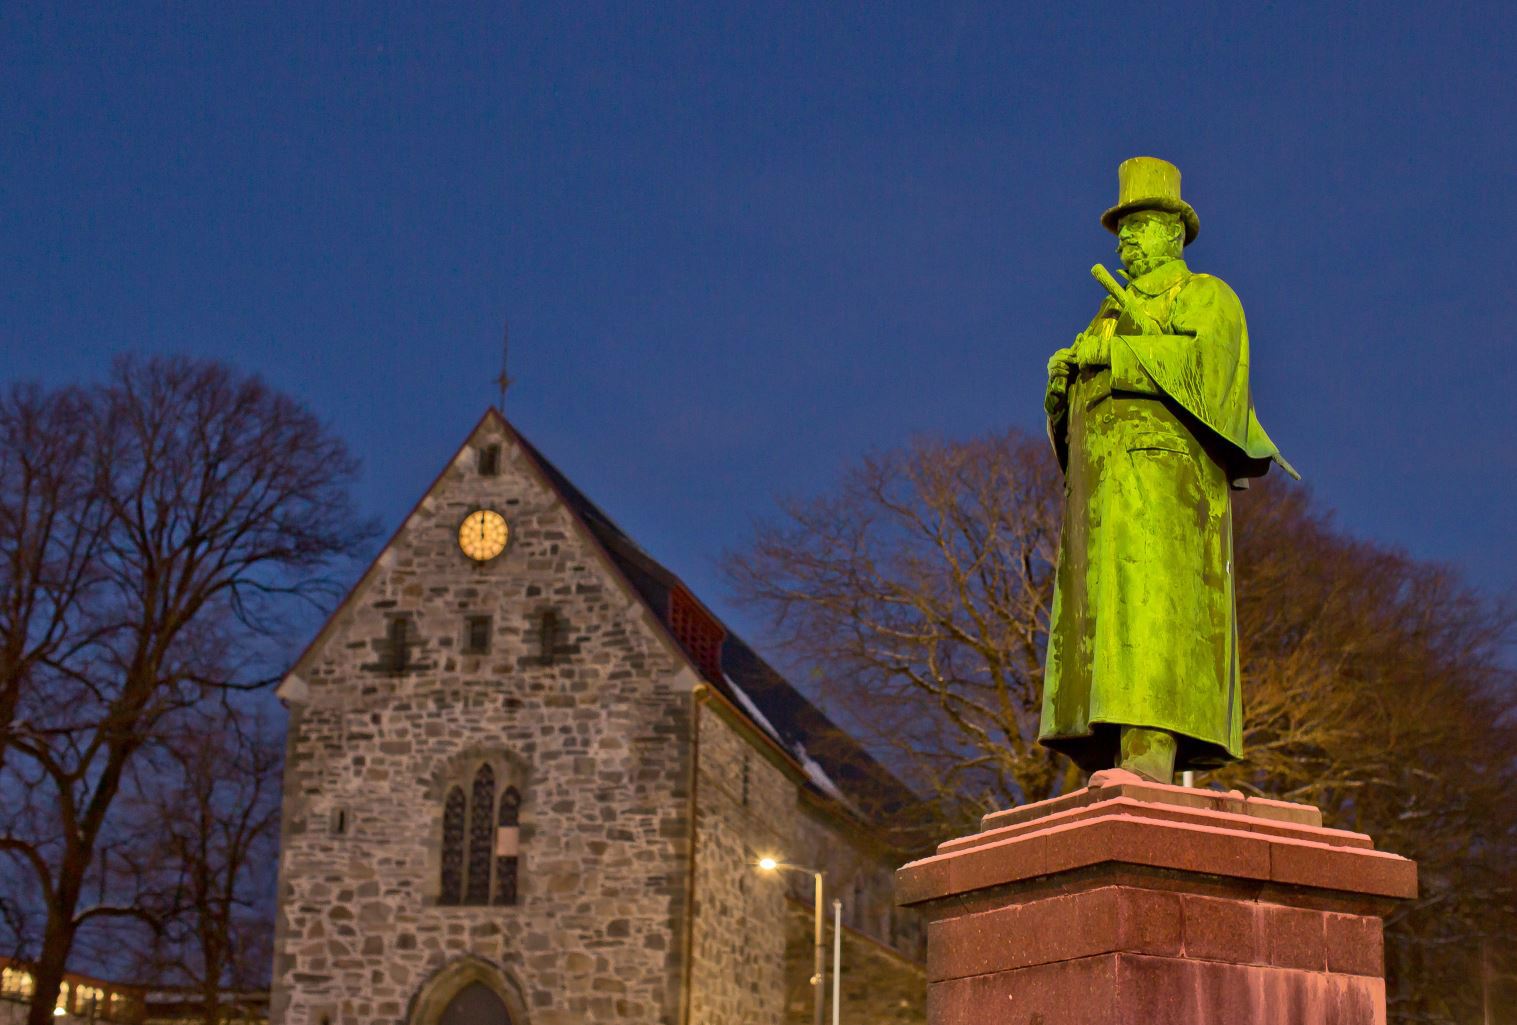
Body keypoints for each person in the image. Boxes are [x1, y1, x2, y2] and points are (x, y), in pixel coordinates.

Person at [1040, 157, 1297, 784]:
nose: (1126, 237)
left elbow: (1212, 370)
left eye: (1142, 224)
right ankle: (1112, 752)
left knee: (1151, 621)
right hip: (1102, 497)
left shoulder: (1205, 294)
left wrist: (1118, 354)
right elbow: (1080, 413)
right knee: (1099, 627)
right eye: (1122, 227)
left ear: (1174, 233)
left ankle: (1149, 752)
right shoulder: (1106, 312)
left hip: (1167, 491)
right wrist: (1064, 384)